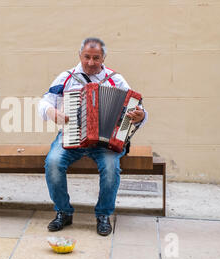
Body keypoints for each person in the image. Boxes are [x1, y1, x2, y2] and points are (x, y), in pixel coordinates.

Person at [38, 37, 147, 236]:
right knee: (52, 162)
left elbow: (138, 110)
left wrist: (141, 116)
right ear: (80, 55)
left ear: (103, 58)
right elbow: (45, 102)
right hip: (72, 136)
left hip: (105, 143)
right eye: (87, 57)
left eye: (96, 58)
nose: (90, 62)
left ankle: (103, 214)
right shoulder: (66, 78)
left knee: (111, 168)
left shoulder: (116, 79)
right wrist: (52, 113)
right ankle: (63, 211)